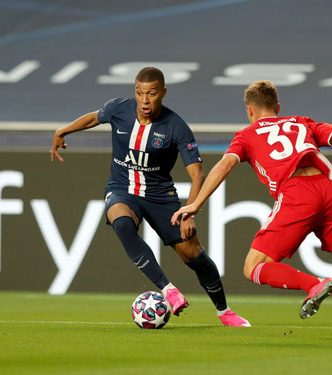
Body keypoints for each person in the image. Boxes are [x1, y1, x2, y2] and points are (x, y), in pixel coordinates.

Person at [172, 80, 332, 343]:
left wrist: (196, 203)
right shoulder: (301, 123)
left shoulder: (247, 136)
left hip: (296, 194)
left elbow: (224, 166)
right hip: (328, 191)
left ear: (250, 110)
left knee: (254, 267)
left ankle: (312, 285)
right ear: (278, 107)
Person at [50, 67, 250, 327]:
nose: (145, 100)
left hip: (160, 196)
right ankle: (168, 290)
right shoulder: (118, 109)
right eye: (139, 93)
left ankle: (224, 312)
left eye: (151, 93)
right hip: (122, 188)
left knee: (194, 255)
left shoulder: (176, 127)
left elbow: (197, 174)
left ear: (163, 93)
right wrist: (62, 131)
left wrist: (189, 212)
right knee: (122, 223)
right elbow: (94, 118)